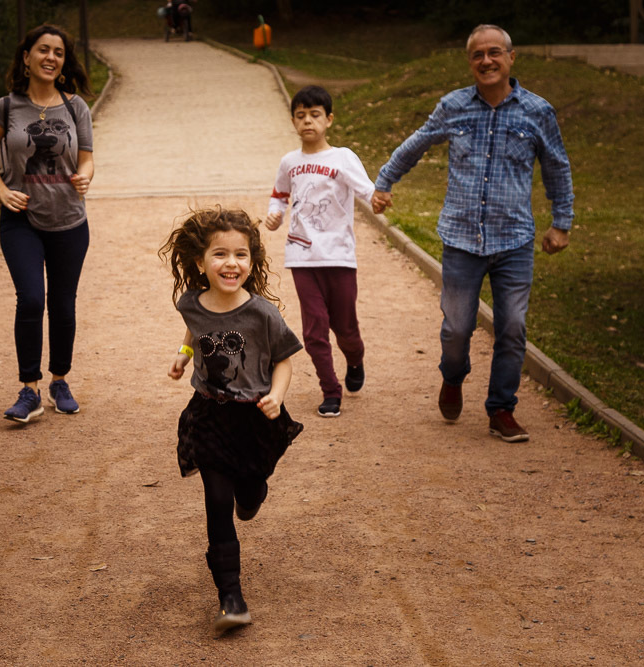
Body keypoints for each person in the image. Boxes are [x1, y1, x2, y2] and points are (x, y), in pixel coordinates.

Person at [371, 24, 573, 442]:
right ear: (470, 62)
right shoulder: (453, 106)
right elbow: (418, 142)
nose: (487, 61)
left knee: (512, 327)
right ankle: (452, 375)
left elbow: (557, 166)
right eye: (478, 54)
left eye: (495, 52)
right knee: (457, 329)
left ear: (511, 58)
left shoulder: (538, 112)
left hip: (514, 240)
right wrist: (385, 181)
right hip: (462, 239)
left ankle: (501, 409)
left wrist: (561, 222)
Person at [161, 208, 303, 634]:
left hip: (256, 416)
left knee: (250, 489)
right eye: (219, 254)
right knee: (217, 502)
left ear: (252, 261)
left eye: (240, 254)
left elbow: (283, 361)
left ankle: (252, 492)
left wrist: (277, 396)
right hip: (209, 413)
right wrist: (184, 357)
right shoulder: (191, 302)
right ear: (200, 261)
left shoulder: (262, 314)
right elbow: (194, 329)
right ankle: (231, 597)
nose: (231, 263)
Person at [0, 24, 95, 423]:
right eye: (43, 50)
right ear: (26, 57)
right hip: (21, 220)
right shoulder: (6, 107)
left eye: (58, 53)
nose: (50, 58)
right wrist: (0, 190)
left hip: (69, 220)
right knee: (30, 299)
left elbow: (88, 157)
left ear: (63, 62)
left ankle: (59, 379)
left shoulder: (76, 106)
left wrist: (86, 174)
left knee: (63, 304)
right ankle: (29, 389)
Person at [265, 85, 376, 418]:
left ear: (329, 119)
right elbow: (279, 195)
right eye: (300, 116)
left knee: (346, 330)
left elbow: (368, 191)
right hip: (302, 257)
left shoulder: (343, 158)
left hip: (339, 257)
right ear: (293, 121)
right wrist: (274, 214)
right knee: (314, 330)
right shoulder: (289, 162)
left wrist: (379, 201)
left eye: (314, 115)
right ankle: (330, 391)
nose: (307, 122)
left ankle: (354, 359)